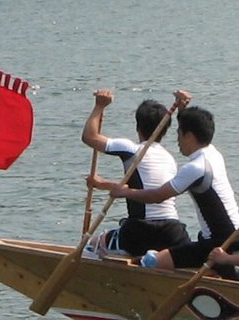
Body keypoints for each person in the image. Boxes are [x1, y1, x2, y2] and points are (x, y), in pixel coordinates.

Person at [89, 92, 239, 273]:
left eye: (179, 133)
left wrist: (99, 106)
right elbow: (150, 187)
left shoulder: (194, 167)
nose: (177, 140)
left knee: (143, 259)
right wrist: (182, 108)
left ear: (189, 135)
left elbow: (156, 195)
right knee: (156, 258)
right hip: (195, 235)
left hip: (218, 245)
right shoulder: (212, 154)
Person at [79, 89, 189, 257]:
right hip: (173, 233)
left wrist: (99, 106)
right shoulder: (169, 159)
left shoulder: (132, 150)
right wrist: (102, 184)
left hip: (141, 232)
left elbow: (89, 136)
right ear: (165, 130)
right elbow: (143, 188)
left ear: (138, 127)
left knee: (92, 244)